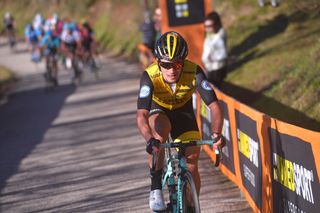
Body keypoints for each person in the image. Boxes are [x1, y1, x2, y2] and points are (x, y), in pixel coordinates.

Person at [136, 31, 224, 211]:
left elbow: (214, 106)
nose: (171, 70)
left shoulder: (194, 71)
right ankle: (155, 187)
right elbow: (141, 115)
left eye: (177, 64)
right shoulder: (149, 76)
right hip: (158, 110)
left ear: (183, 61)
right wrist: (148, 139)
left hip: (183, 112)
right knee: (159, 134)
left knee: (192, 159)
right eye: (166, 65)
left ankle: (191, 205)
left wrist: (216, 133)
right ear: (158, 62)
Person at [201, 11, 228, 89]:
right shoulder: (210, 35)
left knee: (215, 90)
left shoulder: (219, 37)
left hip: (217, 70)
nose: (207, 28)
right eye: (205, 26)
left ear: (216, 24)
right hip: (210, 69)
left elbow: (223, 54)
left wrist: (211, 58)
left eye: (210, 26)